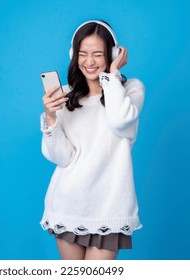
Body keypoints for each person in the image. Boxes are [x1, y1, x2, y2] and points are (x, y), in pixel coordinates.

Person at [39, 20, 145, 260]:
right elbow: (61, 158)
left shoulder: (130, 90)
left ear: (114, 54)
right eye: (83, 54)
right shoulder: (64, 96)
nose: (89, 61)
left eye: (98, 54)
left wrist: (112, 75)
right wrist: (51, 117)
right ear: (74, 55)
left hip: (110, 207)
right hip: (67, 204)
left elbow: (120, 121)